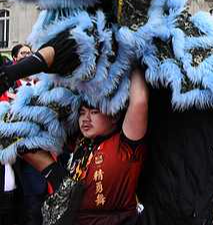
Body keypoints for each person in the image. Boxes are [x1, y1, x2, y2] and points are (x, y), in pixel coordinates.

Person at [26, 68, 148, 224]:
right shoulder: (80, 141)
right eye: (82, 113)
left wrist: (131, 58)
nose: (85, 119)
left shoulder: (125, 144)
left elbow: (139, 102)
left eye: (94, 112)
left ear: (114, 116)